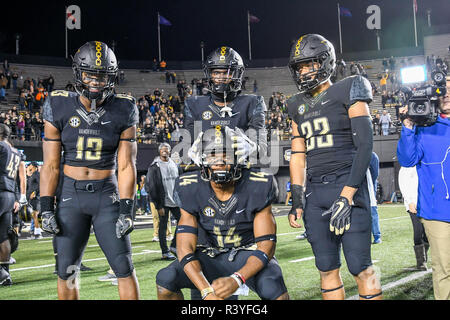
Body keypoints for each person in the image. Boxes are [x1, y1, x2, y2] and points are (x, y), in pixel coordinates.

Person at [40, 41, 140, 300]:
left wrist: (127, 209)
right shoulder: (58, 104)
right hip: (70, 196)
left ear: (112, 76)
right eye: (90, 74)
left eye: (102, 75)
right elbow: (50, 164)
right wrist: (45, 207)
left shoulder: (125, 107)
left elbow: (127, 164)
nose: (96, 81)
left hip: (106, 194)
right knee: (67, 270)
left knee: (123, 267)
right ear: (78, 73)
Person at [286, 34, 381, 300]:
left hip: (346, 185)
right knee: (326, 268)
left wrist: (348, 194)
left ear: (326, 62)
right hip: (316, 192)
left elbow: (365, 145)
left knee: (360, 267)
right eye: (300, 67)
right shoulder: (295, 105)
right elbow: (298, 155)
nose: (304, 72)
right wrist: (297, 200)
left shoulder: (349, 87)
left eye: (309, 64)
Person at [155, 130, 289, 300]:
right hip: (209, 255)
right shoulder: (189, 187)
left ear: (239, 157)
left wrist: (237, 279)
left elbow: (266, 247)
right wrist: (206, 290)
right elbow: (184, 248)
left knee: (274, 288)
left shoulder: (259, 185)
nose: (219, 161)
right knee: (166, 279)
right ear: (202, 159)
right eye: (212, 155)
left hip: (247, 253)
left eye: (226, 154)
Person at [397, 77, 450, 300]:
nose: (447, 93)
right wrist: (408, 125)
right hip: (438, 210)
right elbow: (408, 159)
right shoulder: (424, 126)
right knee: (444, 270)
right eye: (443, 89)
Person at [183, 46, 267, 165]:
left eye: (227, 72)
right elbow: (185, 146)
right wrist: (190, 153)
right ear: (210, 74)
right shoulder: (193, 104)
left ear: (237, 73)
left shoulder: (253, 102)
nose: (221, 77)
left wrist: (253, 149)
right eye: (216, 72)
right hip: (207, 171)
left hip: (242, 170)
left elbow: (262, 149)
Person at [0, 124, 27, 285]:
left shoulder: (1, 147)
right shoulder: (15, 152)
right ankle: (6, 276)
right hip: (9, 195)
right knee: (3, 237)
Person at [146, 143, 182, 260]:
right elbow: (151, 187)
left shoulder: (175, 164)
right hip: (163, 202)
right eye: (162, 150)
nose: (165, 152)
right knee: (162, 227)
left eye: (167, 150)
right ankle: (165, 252)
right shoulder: (154, 166)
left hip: (176, 200)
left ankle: (174, 246)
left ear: (170, 151)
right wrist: (158, 205)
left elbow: (181, 181)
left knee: (183, 222)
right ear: (159, 152)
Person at [398, 166, 429, 271]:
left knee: (427, 232)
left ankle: (424, 256)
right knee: (418, 231)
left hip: (426, 203)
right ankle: (421, 262)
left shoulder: (424, 164)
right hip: (413, 204)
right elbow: (403, 186)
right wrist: (410, 201)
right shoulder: (405, 167)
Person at [26, 162, 42, 239]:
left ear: (34, 166)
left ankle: (38, 233)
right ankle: (34, 232)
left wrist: (35, 192)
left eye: (30, 165)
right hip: (31, 198)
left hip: (36, 198)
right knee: (33, 215)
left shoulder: (36, 174)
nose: (29, 166)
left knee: (35, 214)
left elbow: (41, 184)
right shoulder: (32, 175)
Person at [368, 152, 381, 244]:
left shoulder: (372, 156)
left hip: (369, 185)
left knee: (373, 211)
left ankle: (377, 236)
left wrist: (371, 187)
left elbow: (374, 174)